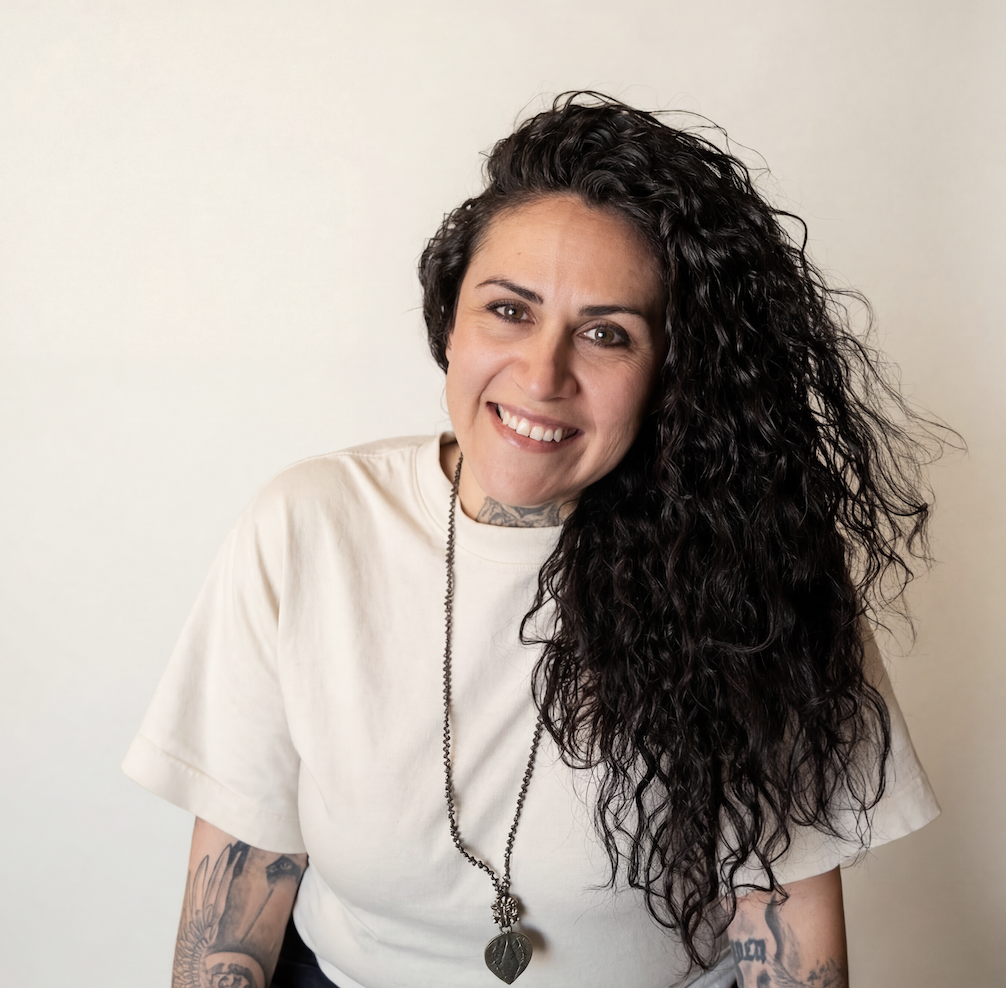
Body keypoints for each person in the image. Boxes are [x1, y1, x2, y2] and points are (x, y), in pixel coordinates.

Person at [124, 93, 943, 988]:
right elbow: (230, 927)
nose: (543, 374)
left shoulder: (757, 564)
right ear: (451, 319)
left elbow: (788, 944)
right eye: (509, 311)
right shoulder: (309, 526)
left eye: (605, 334)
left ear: (673, 372)